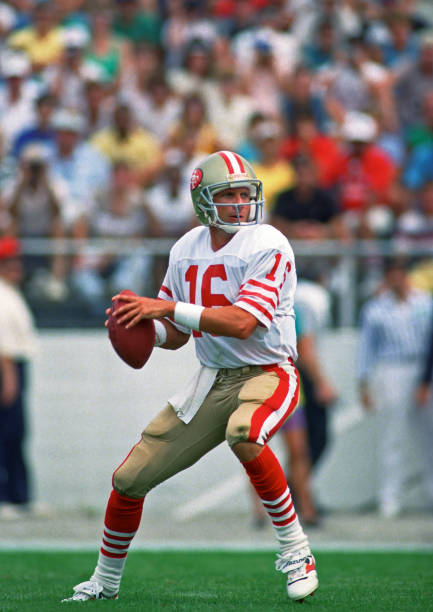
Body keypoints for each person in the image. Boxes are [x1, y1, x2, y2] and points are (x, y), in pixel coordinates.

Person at [62, 150, 318, 603]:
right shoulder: (185, 248)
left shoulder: (269, 242)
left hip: (269, 370)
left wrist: (164, 308)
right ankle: (104, 581)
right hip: (214, 377)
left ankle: (297, 552)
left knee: (246, 434)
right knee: (130, 478)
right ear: (203, 201)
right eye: (229, 195)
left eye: (246, 193)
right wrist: (141, 331)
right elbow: (177, 332)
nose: (241, 203)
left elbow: (242, 322)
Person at [357, 257, 433, 517]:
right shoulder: (376, 309)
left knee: (428, 435)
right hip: (391, 368)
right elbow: (367, 348)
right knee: (393, 435)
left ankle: (430, 494)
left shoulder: (425, 303)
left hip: (422, 367)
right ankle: (390, 497)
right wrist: (364, 382)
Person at [0, 236, 38, 520]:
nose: (17, 266)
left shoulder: (11, 293)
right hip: (7, 369)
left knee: (16, 434)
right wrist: (9, 380)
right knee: (8, 434)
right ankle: (8, 496)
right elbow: (4, 346)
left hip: (14, 367)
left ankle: (20, 496)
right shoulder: (3, 296)